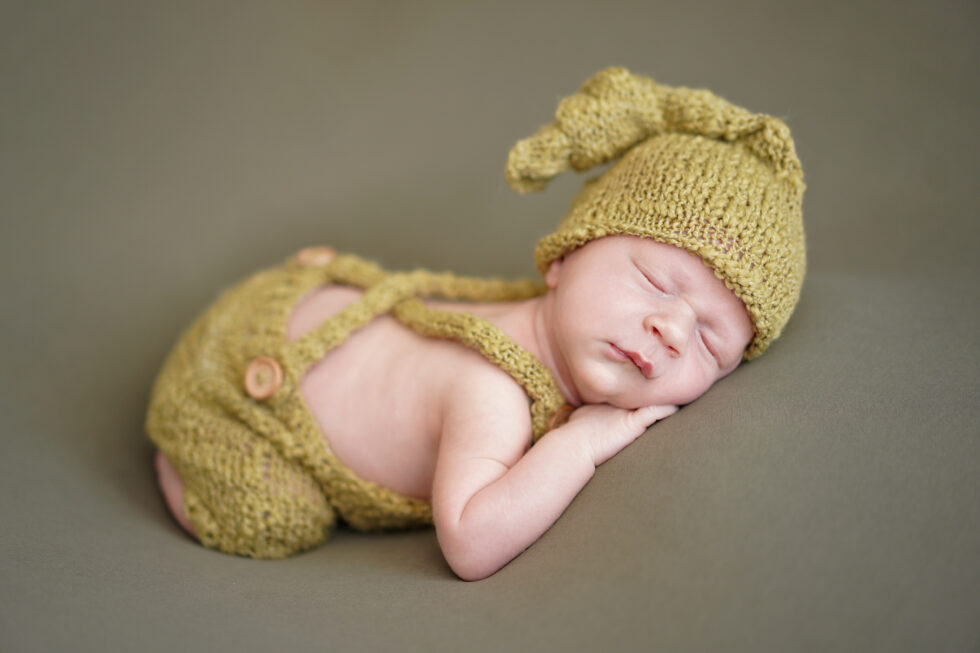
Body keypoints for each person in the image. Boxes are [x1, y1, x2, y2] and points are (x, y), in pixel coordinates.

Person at [147, 67, 806, 581]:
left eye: (712, 342)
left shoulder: (544, 320)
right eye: (657, 281)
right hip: (244, 396)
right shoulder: (492, 390)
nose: (672, 330)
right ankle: (178, 460)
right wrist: (580, 445)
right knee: (274, 518)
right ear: (564, 258)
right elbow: (468, 540)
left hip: (306, 313)